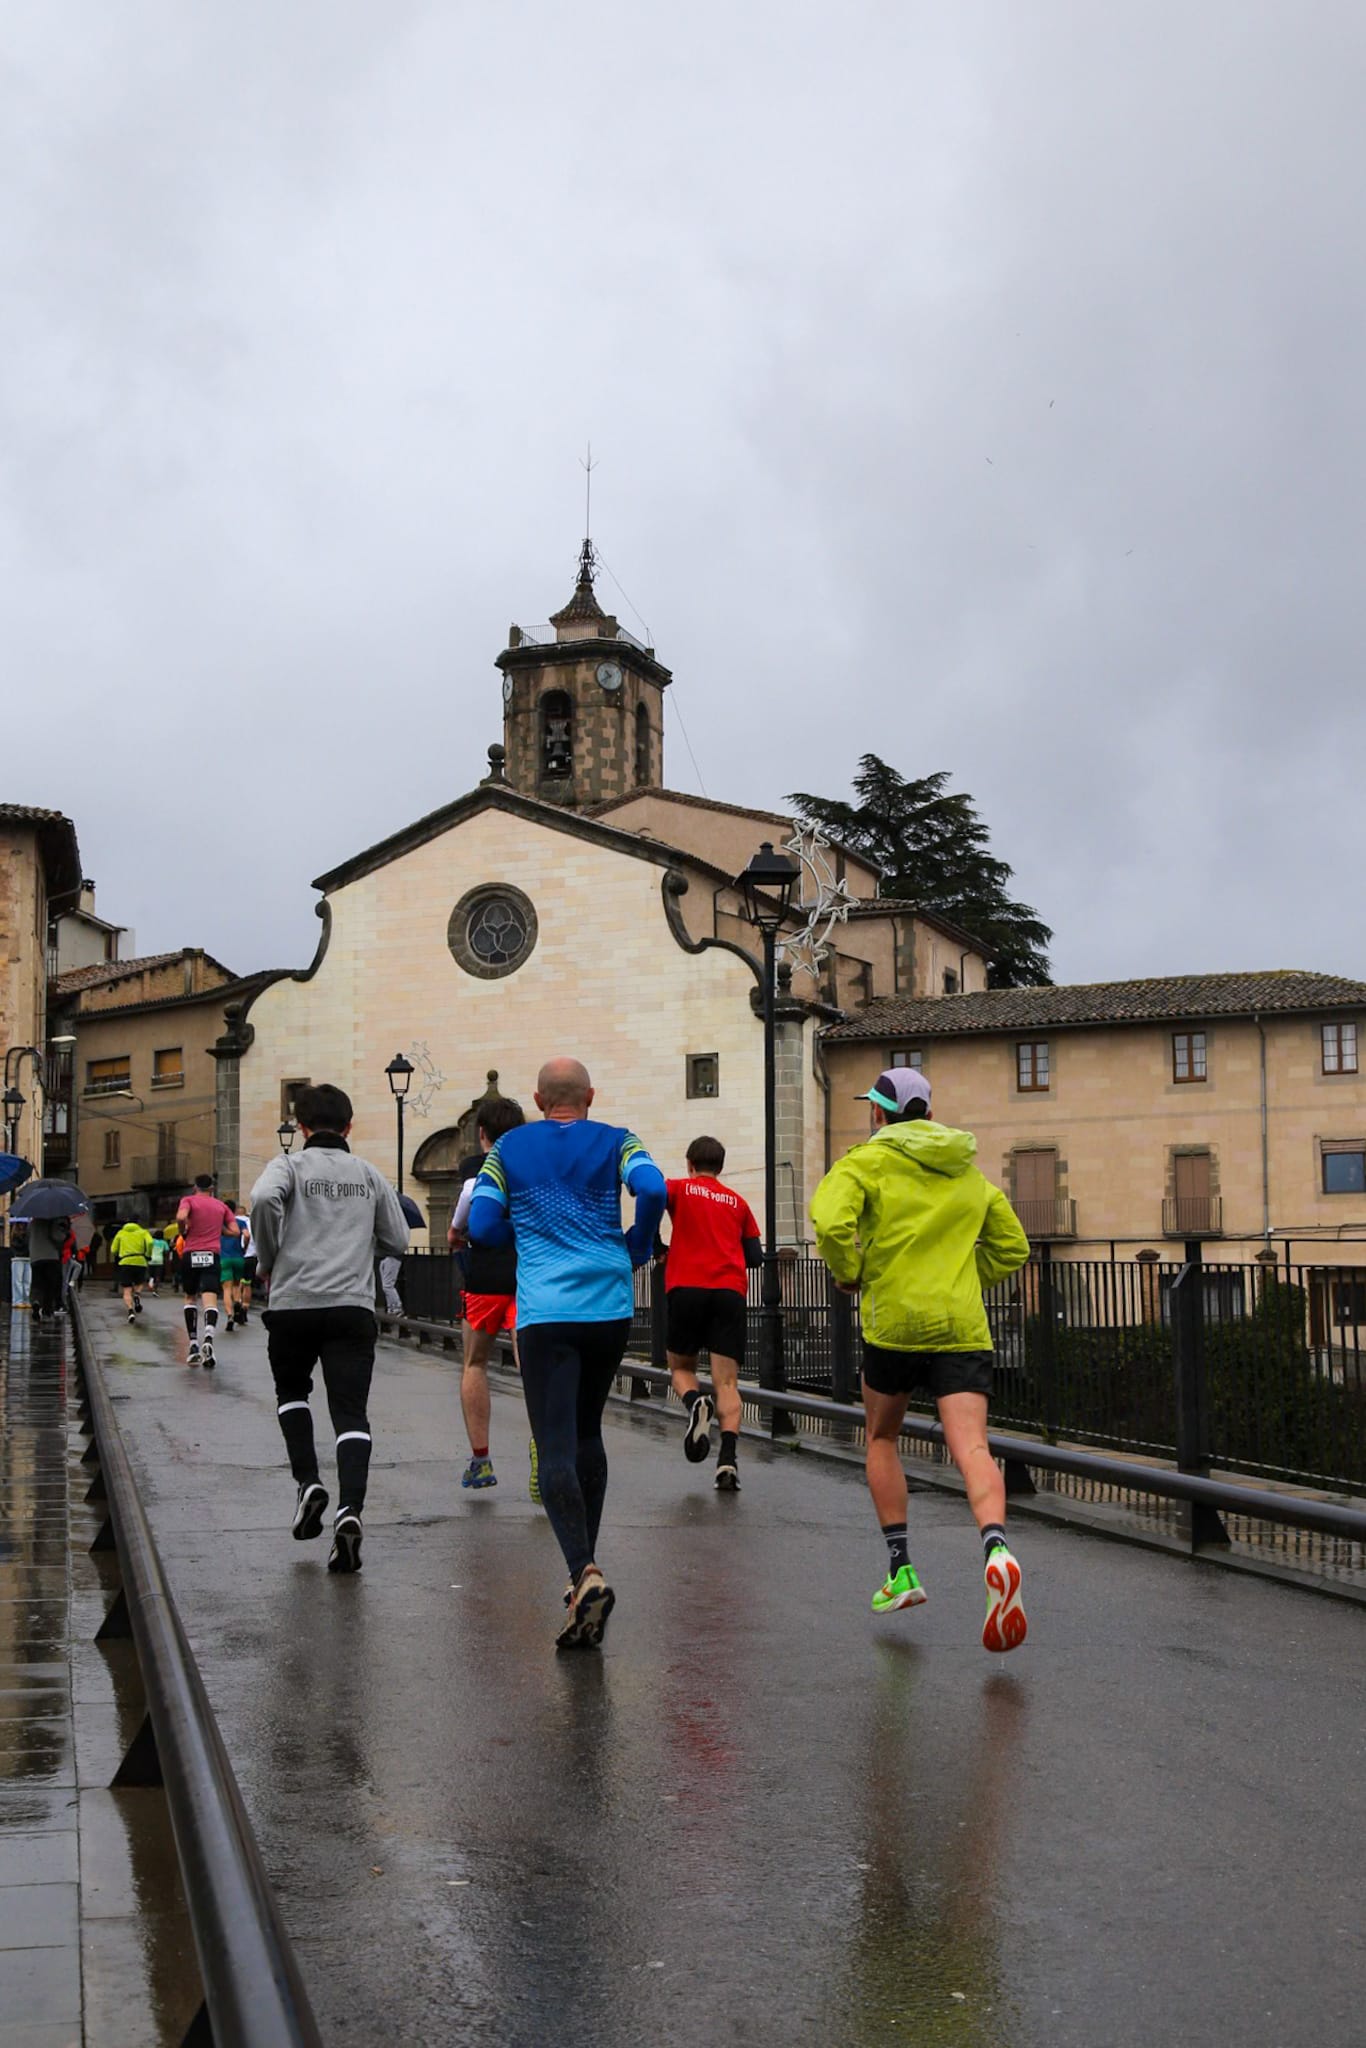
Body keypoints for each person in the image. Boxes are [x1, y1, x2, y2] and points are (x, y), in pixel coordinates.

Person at [810, 1068, 1032, 1653]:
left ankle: (901, 1569)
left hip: (895, 1326)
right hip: (961, 1326)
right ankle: (997, 1548)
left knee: (882, 1438)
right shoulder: (968, 1170)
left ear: (878, 1115)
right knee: (974, 1448)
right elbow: (1013, 1248)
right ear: (929, 1116)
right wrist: (962, 1279)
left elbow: (831, 1221)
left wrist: (851, 1272)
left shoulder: (862, 1163)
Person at [469, 1056, 665, 1650]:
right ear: (589, 1096)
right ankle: (580, 1571)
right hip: (609, 1304)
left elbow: (480, 1224)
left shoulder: (508, 1148)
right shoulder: (618, 1139)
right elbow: (653, 1187)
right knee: (587, 1435)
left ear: (536, 1097)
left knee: (553, 1441)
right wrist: (637, 1241)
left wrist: (524, 1236)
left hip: (548, 1311)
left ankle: (584, 1570)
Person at [249, 1081, 409, 1574]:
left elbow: (261, 1199)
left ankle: (308, 1482)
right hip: (351, 1307)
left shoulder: (288, 1167)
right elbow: (399, 1238)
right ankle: (349, 1512)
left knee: (292, 1392)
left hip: (294, 1302)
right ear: (349, 1126)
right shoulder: (368, 1174)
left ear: (299, 1127)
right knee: (350, 1414)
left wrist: (271, 1257)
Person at [662, 1135, 762, 1491]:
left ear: (690, 1163)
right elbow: (754, 1257)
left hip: (686, 1288)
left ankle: (695, 1402)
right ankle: (727, 1461)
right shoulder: (738, 1202)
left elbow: (648, 1196)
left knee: (681, 1368)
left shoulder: (677, 1189)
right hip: (728, 1293)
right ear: (721, 1166)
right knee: (728, 1383)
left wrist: (658, 1247)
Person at [446, 1096, 528, 1493]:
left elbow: (462, 1221)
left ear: (481, 1134)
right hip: (527, 1278)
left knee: (474, 1363)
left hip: (483, 1282)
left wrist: (455, 1236)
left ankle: (481, 1460)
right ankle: (546, 1448)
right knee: (533, 1367)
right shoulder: (532, 1167)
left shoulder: (474, 1172)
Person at [175, 1175, 241, 1368]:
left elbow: (181, 1216)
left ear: (195, 1187)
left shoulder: (188, 1200)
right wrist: (219, 1230)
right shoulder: (222, 1207)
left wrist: (183, 1231)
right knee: (210, 1299)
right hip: (212, 1255)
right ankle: (209, 1339)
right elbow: (236, 1231)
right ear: (212, 1188)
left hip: (191, 1253)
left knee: (190, 1298)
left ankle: (194, 1344)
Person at [109, 1217, 155, 1322]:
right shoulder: (143, 1232)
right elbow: (150, 1243)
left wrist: (119, 1254)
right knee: (139, 1283)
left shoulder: (121, 1233)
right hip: (140, 1261)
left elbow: (113, 1249)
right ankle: (137, 1295)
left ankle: (130, 1311)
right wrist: (147, 1254)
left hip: (125, 1262)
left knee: (127, 1290)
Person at [28, 1215, 67, 1320]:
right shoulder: (52, 1221)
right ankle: (47, 1310)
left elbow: (29, 1236)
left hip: (35, 1257)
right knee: (50, 1285)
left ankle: (36, 1301)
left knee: (37, 1283)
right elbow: (57, 1237)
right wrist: (64, 1231)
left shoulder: (33, 1222)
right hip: (50, 1257)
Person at [218, 1199, 246, 1332]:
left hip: (223, 1258)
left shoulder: (218, 1223)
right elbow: (246, 1235)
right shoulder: (240, 1222)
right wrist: (244, 1247)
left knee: (226, 1289)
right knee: (237, 1285)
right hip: (238, 1257)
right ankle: (238, 1302)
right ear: (234, 1210)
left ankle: (230, 1315)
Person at [234, 1207, 255, 1325]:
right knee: (247, 1283)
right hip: (250, 1257)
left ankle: (237, 1304)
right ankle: (245, 1308)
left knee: (235, 1284)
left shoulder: (232, 1222)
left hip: (236, 1256)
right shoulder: (252, 1223)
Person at [9, 1221, 31, 1309]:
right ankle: (17, 1301)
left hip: (27, 1258)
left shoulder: (28, 1234)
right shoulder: (15, 1235)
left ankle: (26, 1300)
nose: (22, 1226)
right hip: (18, 1258)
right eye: (20, 1224)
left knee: (27, 1281)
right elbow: (16, 1246)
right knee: (18, 1281)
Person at [147, 1230, 168, 1294]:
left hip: (151, 1260)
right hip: (159, 1260)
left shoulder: (151, 1241)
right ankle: (155, 1288)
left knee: (151, 1274)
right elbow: (167, 1250)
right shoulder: (164, 1242)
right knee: (158, 1275)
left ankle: (150, 1283)